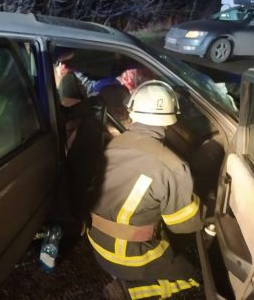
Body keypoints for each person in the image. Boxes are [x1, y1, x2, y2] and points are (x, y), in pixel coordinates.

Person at [87, 80, 204, 299]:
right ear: (171, 118)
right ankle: (128, 292)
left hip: (96, 243)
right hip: (126, 256)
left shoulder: (113, 143)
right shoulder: (173, 165)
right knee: (191, 276)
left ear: (132, 111)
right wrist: (201, 206)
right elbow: (183, 226)